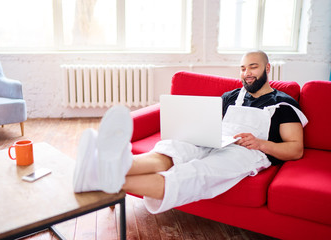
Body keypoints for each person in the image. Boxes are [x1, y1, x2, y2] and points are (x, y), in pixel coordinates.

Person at [73, 50, 308, 214]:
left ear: (268, 68)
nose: (246, 72)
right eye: (243, 68)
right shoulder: (231, 97)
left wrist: (260, 143)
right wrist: (193, 130)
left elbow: (295, 149)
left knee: (197, 172)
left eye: (253, 67)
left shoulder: (283, 104)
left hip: (249, 152)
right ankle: (109, 163)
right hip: (218, 139)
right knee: (175, 148)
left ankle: (101, 176)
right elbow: (208, 124)